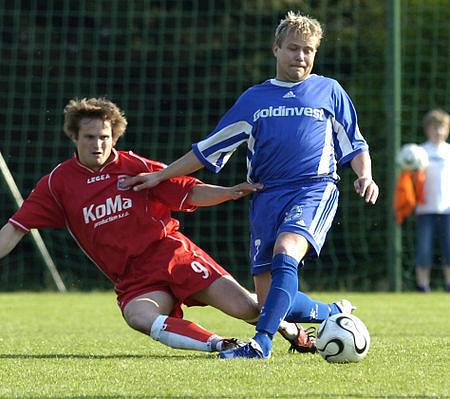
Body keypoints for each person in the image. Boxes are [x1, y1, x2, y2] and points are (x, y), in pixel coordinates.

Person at [122, 11, 379, 359]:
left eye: (308, 50)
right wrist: (160, 176)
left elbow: (355, 144)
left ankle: (261, 344)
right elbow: (207, 149)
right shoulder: (255, 100)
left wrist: (364, 174)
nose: (300, 57)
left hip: (313, 188)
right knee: (270, 300)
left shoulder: (328, 91)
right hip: (265, 196)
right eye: (293, 49)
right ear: (275, 49)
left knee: (287, 248)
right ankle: (332, 312)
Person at [0, 97, 315, 355]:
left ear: (115, 136)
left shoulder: (135, 167)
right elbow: (16, 227)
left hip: (173, 255)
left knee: (247, 308)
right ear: (74, 136)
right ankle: (220, 344)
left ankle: (294, 331)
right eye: (90, 137)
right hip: (134, 278)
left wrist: (229, 192)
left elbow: (187, 190)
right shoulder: (57, 184)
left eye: (104, 137)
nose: (98, 144)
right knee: (138, 316)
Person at [414, 109, 450, 292]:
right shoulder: (419, 152)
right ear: (427, 129)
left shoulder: (449, 152)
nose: (438, 131)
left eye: (442, 127)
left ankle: (448, 283)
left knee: (448, 248)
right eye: (434, 127)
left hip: (447, 209)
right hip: (424, 208)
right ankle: (423, 285)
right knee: (424, 249)